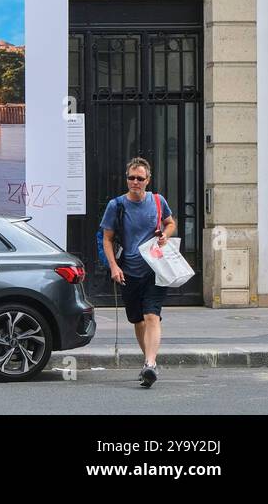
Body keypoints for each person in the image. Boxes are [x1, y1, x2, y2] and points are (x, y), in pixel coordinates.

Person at [100, 156, 176, 388]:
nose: (135, 182)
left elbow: (170, 223)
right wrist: (114, 266)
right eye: (131, 178)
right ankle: (147, 362)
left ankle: (150, 364)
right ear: (127, 179)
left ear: (147, 180)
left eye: (140, 178)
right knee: (137, 320)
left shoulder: (157, 200)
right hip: (129, 271)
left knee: (151, 315)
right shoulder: (117, 205)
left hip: (154, 269)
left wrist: (166, 235)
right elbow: (107, 238)